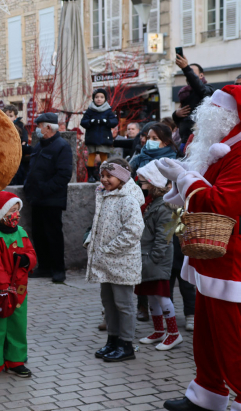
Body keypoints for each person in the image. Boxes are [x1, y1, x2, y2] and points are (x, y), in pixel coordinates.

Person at [157, 85, 241, 411]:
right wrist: (180, 182)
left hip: (230, 259)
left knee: (232, 339)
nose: (206, 116)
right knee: (206, 336)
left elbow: (221, 202)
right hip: (212, 254)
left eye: (215, 111)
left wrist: (184, 179)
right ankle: (206, 395)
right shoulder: (222, 146)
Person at [87, 159, 144, 362]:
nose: (104, 180)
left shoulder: (128, 200)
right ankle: (112, 340)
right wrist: (91, 242)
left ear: (121, 177)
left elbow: (133, 231)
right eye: (102, 176)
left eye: (109, 176)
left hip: (122, 262)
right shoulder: (105, 196)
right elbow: (99, 225)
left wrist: (108, 249)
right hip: (105, 262)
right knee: (108, 303)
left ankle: (126, 344)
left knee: (123, 304)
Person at [0, 191, 36, 383]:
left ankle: (15, 360)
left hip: (19, 290)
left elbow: (32, 253)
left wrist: (26, 260)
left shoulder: (21, 232)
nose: (16, 214)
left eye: (17, 210)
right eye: (12, 210)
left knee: (17, 325)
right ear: (0, 213)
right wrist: (2, 288)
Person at [135, 162, 182, 351]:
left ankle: (174, 333)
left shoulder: (165, 206)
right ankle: (159, 331)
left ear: (154, 181)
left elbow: (164, 237)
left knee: (162, 296)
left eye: (143, 180)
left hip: (155, 258)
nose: (140, 183)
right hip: (148, 257)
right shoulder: (153, 203)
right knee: (152, 295)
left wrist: (153, 258)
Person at [24, 112, 72, 283]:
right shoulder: (39, 146)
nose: (37, 129)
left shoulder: (61, 146)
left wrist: (44, 189)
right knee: (39, 235)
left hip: (52, 200)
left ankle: (58, 270)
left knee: (53, 235)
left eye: (39, 126)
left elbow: (64, 175)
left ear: (48, 127)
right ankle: (44, 267)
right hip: (36, 199)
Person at [173, 56, 214, 147]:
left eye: (192, 73)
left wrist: (186, 68)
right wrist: (176, 114)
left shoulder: (207, 89)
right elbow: (180, 119)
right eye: (187, 74)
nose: (188, 75)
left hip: (199, 141)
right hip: (184, 140)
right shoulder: (185, 93)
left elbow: (199, 88)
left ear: (201, 75)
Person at [81, 88, 119, 182]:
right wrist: (91, 121)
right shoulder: (89, 111)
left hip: (104, 137)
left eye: (102, 97)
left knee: (103, 155)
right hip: (92, 137)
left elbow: (114, 121)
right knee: (91, 155)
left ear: (105, 99)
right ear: (93, 98)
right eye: (97, 97)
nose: (99, 99)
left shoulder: (108, 111)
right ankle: (91, 176)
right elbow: (83, 122)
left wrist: (106, 122)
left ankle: (103, 175)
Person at [3, 104, 31, 185]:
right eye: (6, 115)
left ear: (15, 117)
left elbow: (24, 139)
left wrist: (23, 143)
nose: (8, 118)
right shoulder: (1, 126)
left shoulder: (20, 126)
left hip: (17, 156)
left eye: (11, 116)